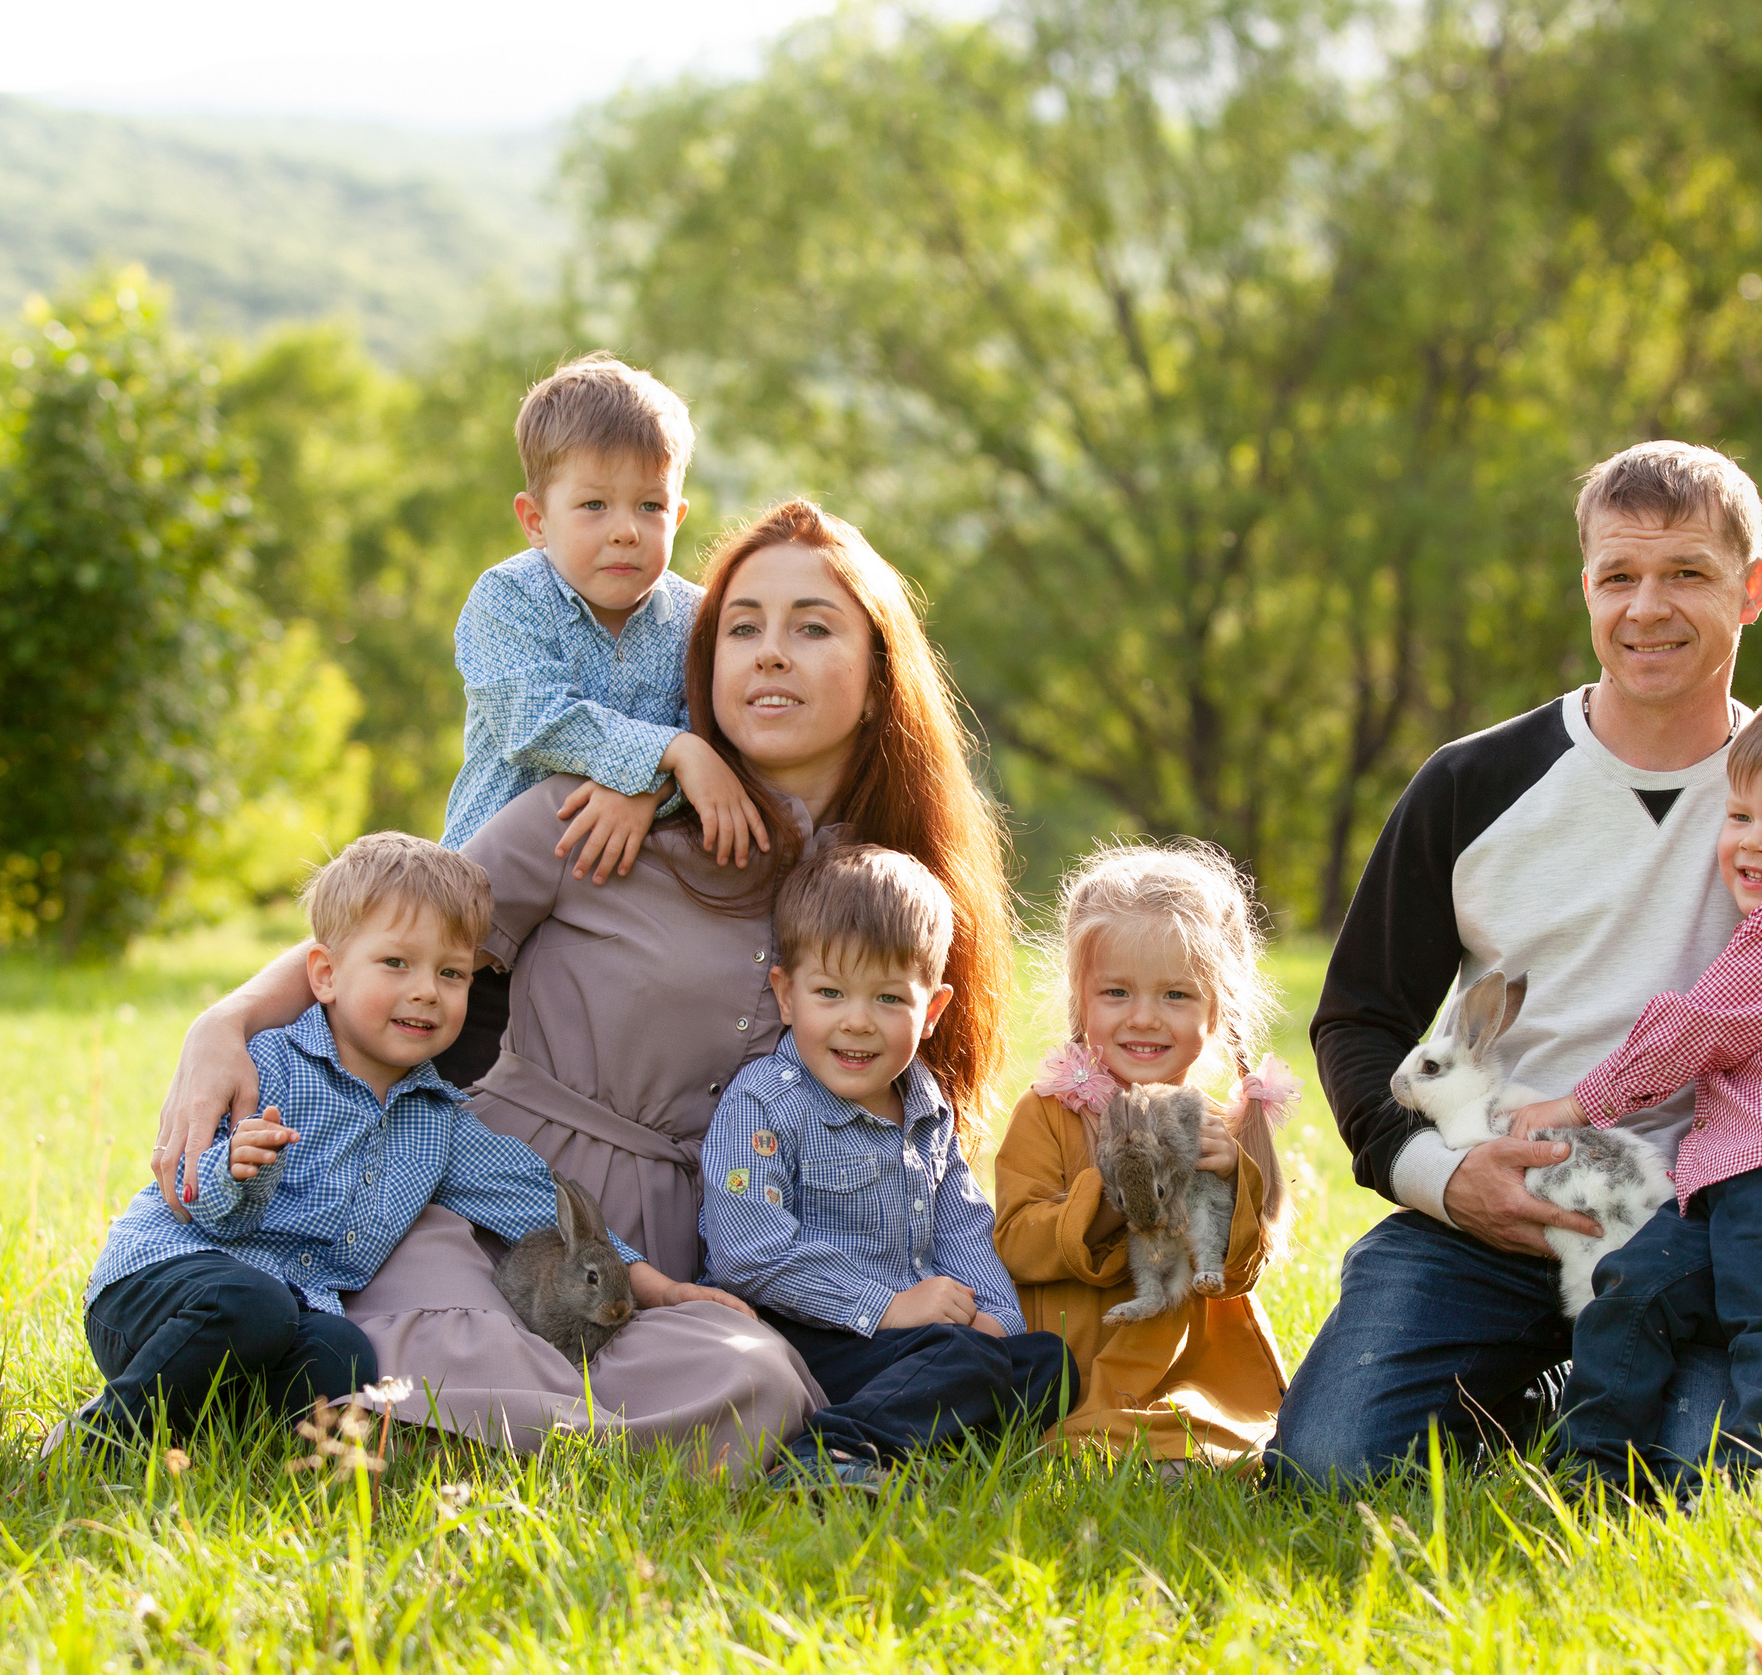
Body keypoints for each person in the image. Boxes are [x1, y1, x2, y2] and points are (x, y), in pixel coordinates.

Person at [150, 499, 1018, 1479]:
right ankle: (444, 1427)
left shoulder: (889, 902)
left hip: (653, 1269)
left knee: (759, 1380)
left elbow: (915, 1157)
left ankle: (442, 1442)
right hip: (484, 1206)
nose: (769, 653)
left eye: (811, 628)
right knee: (452, 1331)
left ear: (875, 682)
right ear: (706, 669)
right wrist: (224, 1021)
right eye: (742, 628)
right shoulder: (597, 819)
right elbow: (398, 932)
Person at [1270, 440, 1762, 1490]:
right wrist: (1444, 1177)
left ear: (1751, 589)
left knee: (1698, 1490)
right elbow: (1359, 1020)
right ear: (1587, 587)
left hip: (1709, 1233)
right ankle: (1536, 1385)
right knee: (1329, 1470)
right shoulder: (1471, 783)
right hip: (1496, 1226)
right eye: (1618, 576)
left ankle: (1603, 1395)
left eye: (1686, 573)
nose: (1647, 607)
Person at [62, 833, 738, 1456]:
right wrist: (235, 1169)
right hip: (163, 1291)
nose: (426, 991)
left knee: (343, 1354)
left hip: (283, 1313)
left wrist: (659, 1287)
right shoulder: (271, 1062)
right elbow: (191, 1197)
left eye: (451, 973)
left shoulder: (437, 1121)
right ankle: (97, 1437)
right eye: (396, 963)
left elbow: (536, 1199)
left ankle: (215, 1443)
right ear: (323, 974)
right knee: (256, 1304)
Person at [1512, 682, 1762, 1488]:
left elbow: (1697, 1029)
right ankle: (1589, 1465)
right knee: (1633, 1289)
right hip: (1720, 1186)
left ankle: (1753, 1492)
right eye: (1740, 818)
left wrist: (1576, 1106)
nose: (1755, 845)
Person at [700, 843, 1072, 1492]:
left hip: (913, 1341)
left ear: (930, 1012)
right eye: (830, 992)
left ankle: (912, 1439)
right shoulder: (765, 1102)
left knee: (1047, 1361)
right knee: (959, 1359)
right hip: (809, 1331)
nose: (857, 1021)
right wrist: (889, 1305)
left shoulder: (925, 1104)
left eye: (889, 998)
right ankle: (833, 1452)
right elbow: (748, 1251)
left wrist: (995, 1319)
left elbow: (963, 1225)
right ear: (786, 996)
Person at [991, 841, 1297, 1468]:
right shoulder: (1048, 1111)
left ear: (1218, 1011)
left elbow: (1237, 1273)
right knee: (1069, 1429)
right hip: (1072, 1355)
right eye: (1116, 993)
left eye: (1176, 996)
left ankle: (1175, 1453)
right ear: (1081, 999)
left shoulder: (1215, 1127)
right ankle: (1095, 1439)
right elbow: (1016, 1240)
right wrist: (1112, 1194)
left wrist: (1232, 1179)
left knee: (1214, 1437)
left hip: (1178, 1365)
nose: (1145, 1018)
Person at [440, 351, 767, 882]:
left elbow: (712, 732)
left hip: (622, 888)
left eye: (650, 506)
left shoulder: (697, 619)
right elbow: (535, 721)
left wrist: (651, 792)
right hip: (489, 881)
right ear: (535, 520)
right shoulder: (507, 598)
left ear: (677, 517)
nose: (626, 531)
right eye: (594, 505)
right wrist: (670, 752)